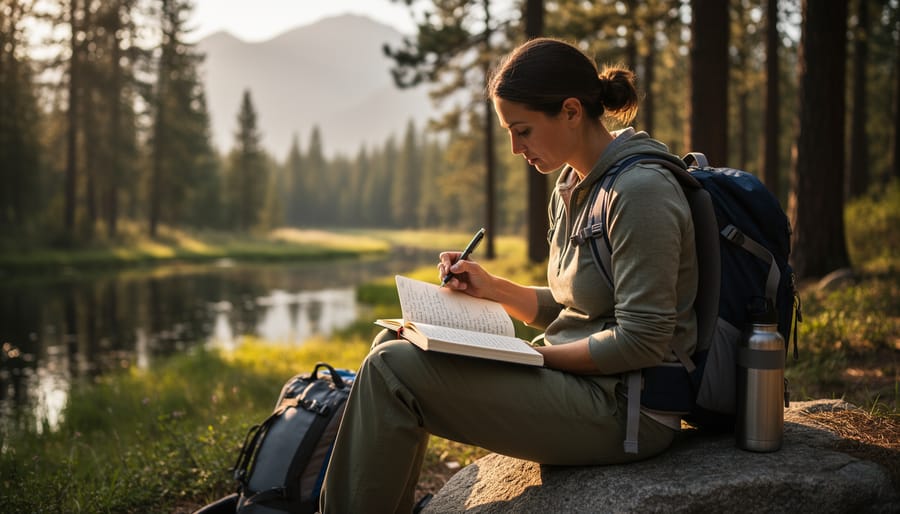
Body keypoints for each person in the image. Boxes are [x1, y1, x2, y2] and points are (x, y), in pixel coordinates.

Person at [320, 37, 698, 513]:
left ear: (571, 111)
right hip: (587, 390)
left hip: (628, 411)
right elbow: (579, 307)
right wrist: (492, 288)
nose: (516, 148)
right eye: (508, 133)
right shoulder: (575, 186)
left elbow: (642, 340)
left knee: (390, 371)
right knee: (390, 348)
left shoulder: (640, 191)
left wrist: (533, 358)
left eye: (522, 130)